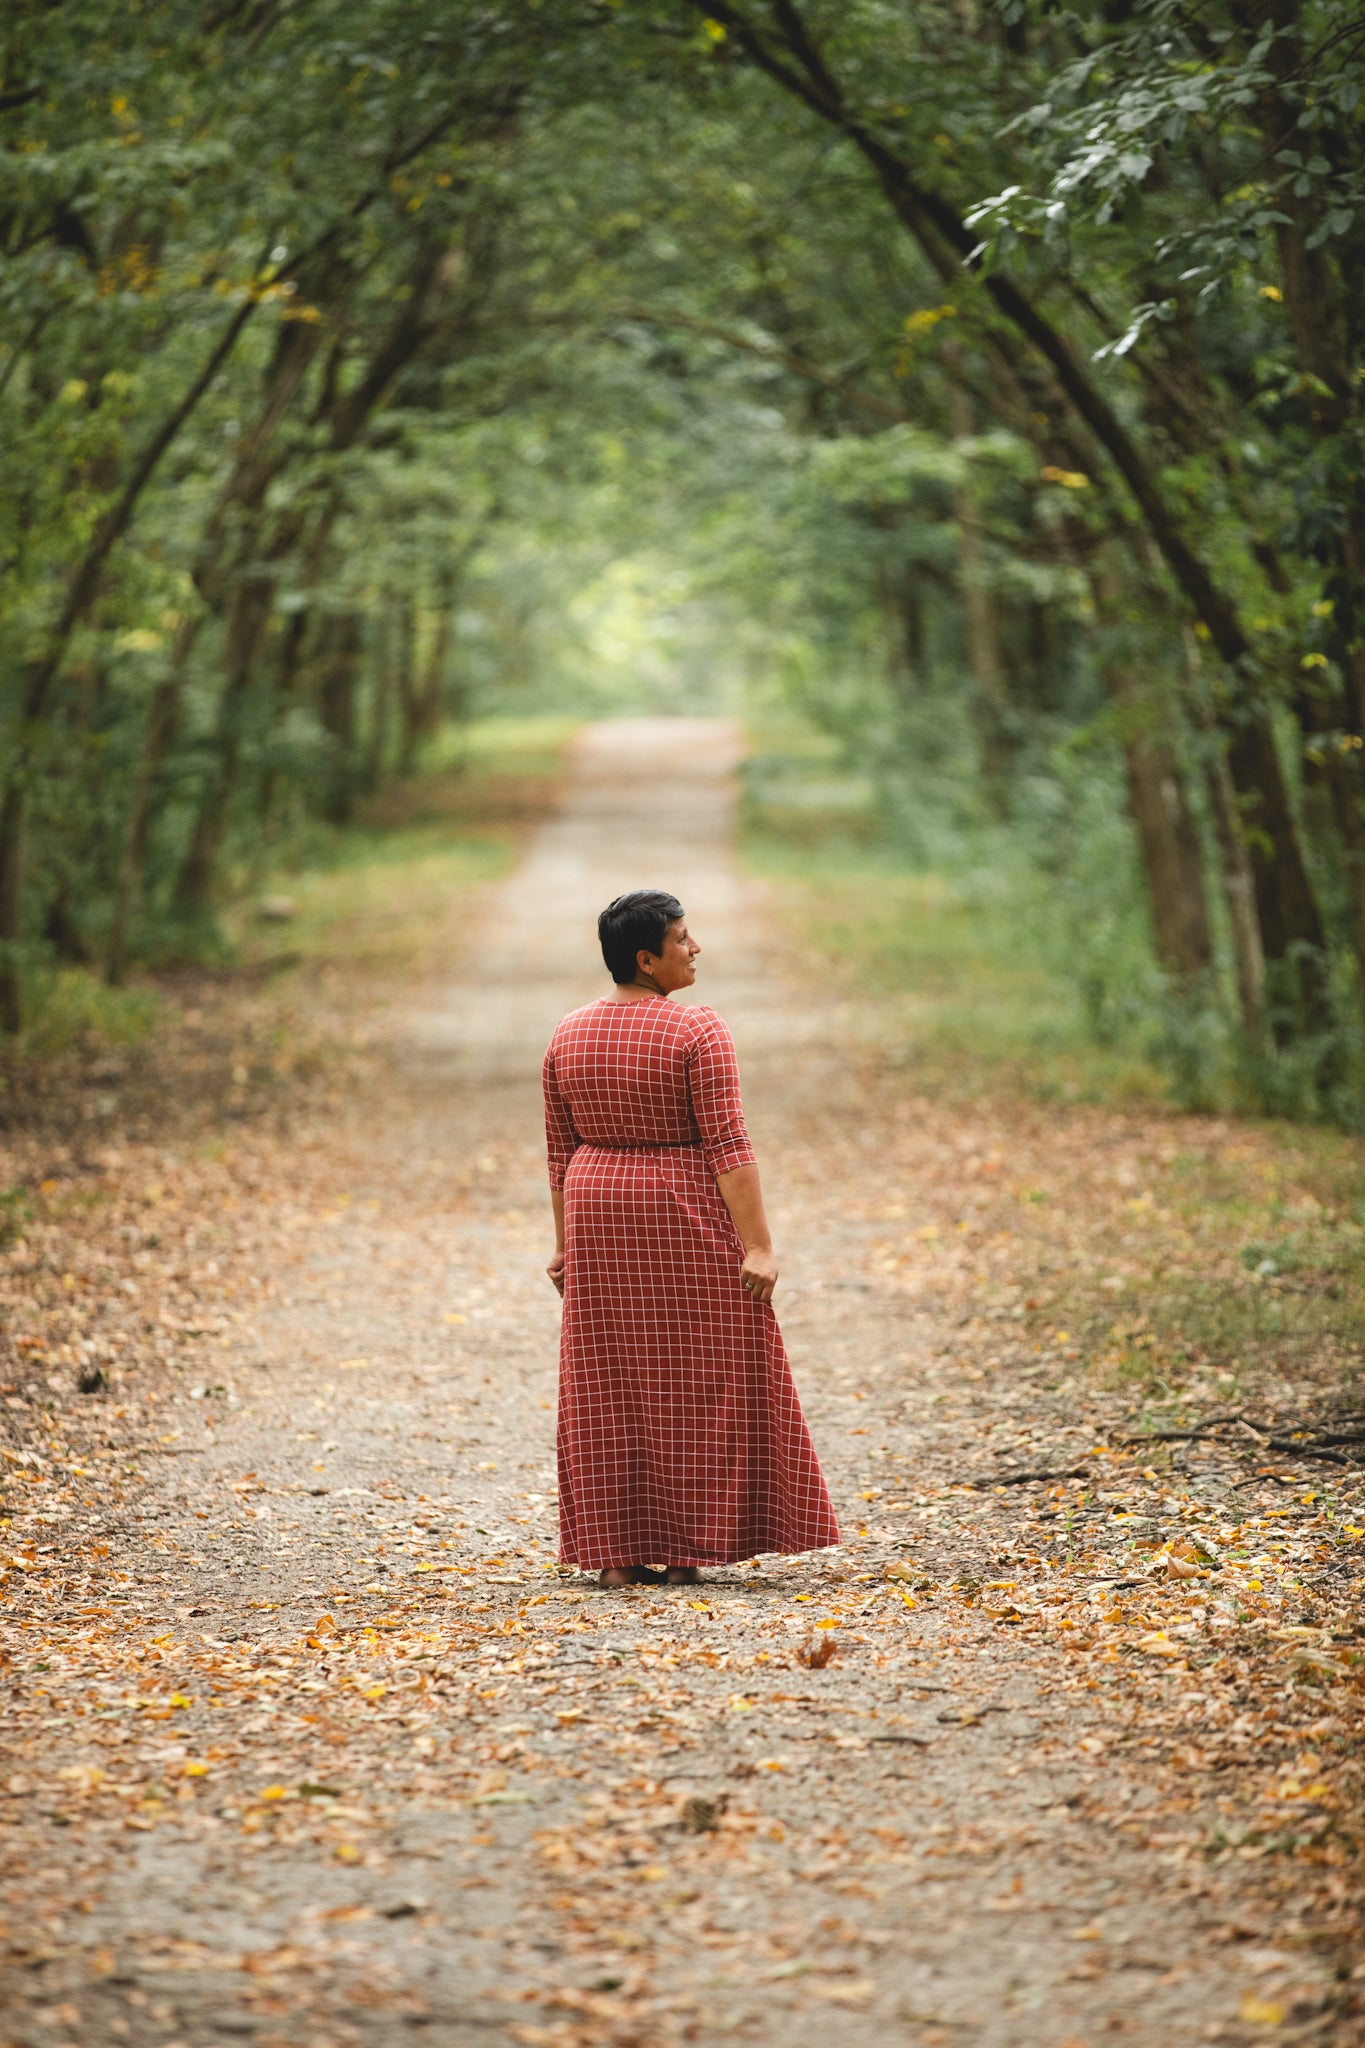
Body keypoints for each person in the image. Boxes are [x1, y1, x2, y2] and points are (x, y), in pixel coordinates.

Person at [542, 888, 838, 1588]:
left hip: (595, 1210)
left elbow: (560, 1153)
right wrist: (758, 1246)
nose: (695, 947)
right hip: (680, 1208)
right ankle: (687, 1549)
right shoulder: (696, 1030)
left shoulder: (567, 1033)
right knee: (702, 1374)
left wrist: (564, 1246)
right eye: (681, 938)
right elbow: (728, 1143)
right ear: (646, 960)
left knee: (607, 1377)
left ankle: (614, 1554)